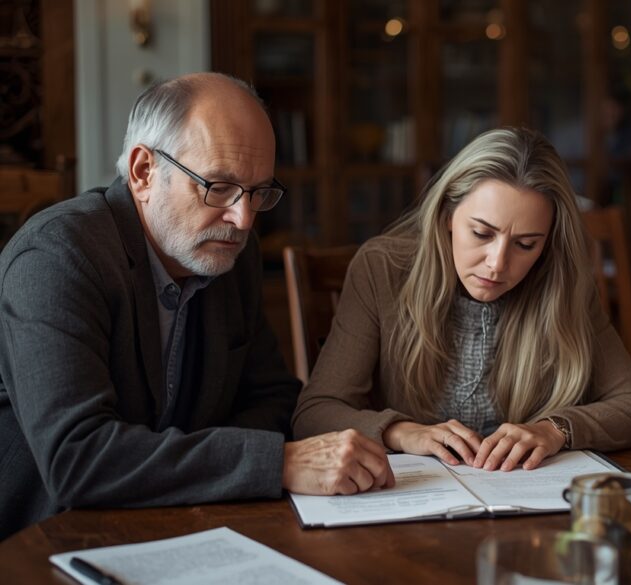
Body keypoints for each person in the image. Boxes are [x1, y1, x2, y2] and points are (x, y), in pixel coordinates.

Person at [0, 73, 393, 540]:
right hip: (47, 540)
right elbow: (77, 459)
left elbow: (274, 400)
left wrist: (169, 460)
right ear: (143, 172)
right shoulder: (57, 256)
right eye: (219, 187)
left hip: (183, 523)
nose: (243, 219)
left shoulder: (226, 252)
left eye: (258, 192)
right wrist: (275, 462)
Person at [292, 127, 631, 471]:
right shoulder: (382, 269)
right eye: (482, 233)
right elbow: (314, 413)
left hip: (526, 507)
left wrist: (555, 430)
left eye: (525, 244)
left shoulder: (560, 282)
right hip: (411, 502)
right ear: (449, 215)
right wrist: (401, 432)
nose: (498, 264)